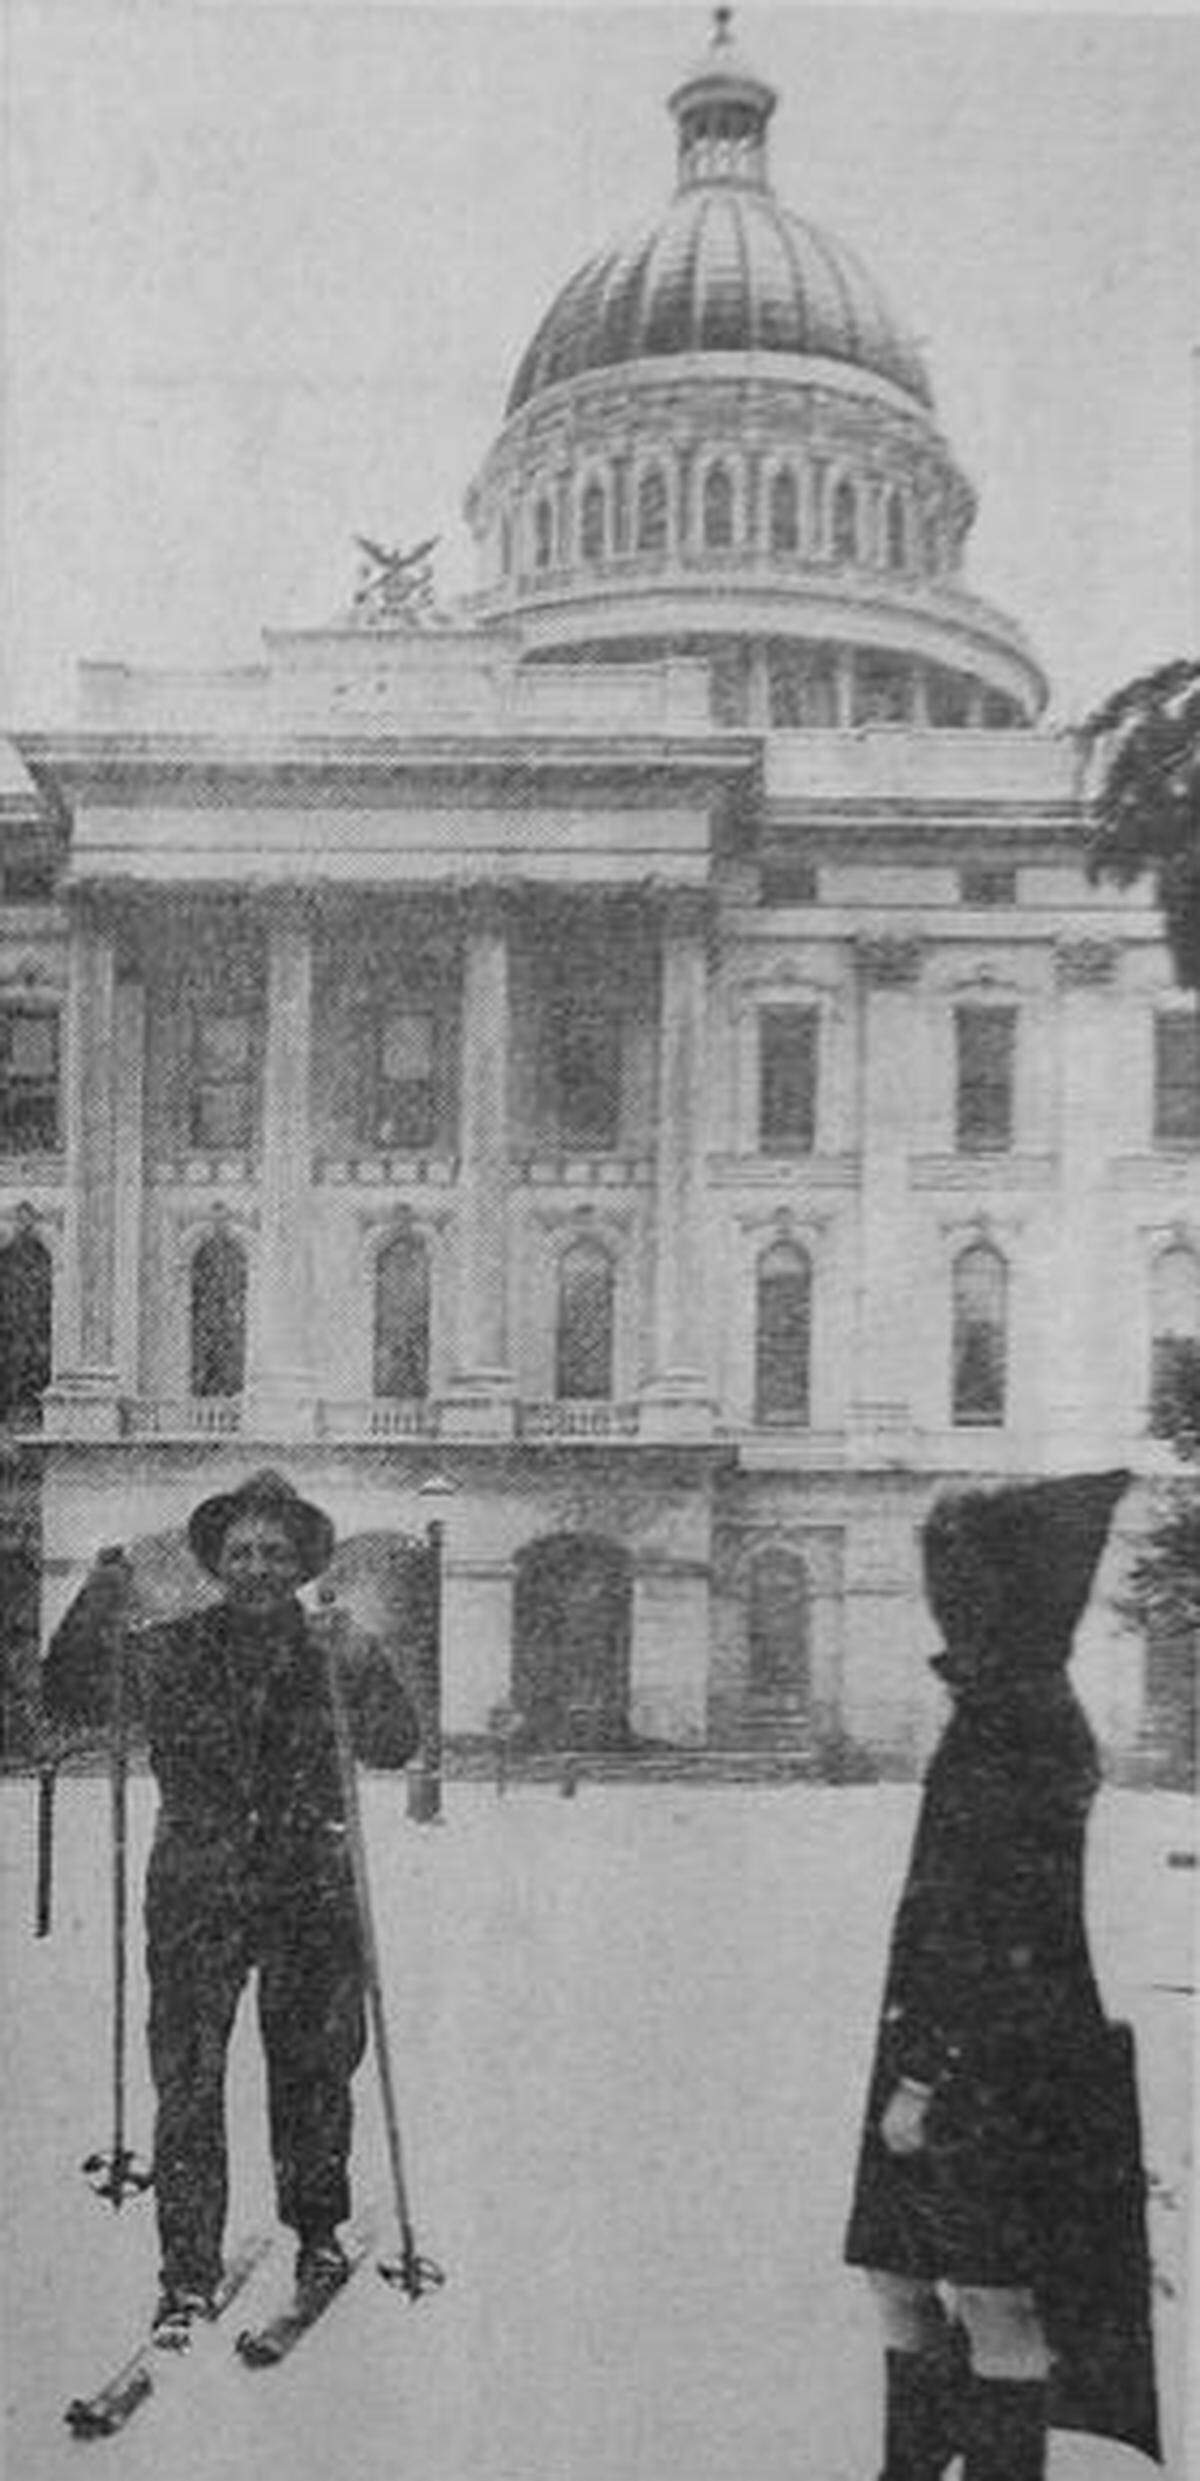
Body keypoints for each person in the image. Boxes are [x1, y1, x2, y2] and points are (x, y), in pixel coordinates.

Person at [42, 1469, 420, 2346]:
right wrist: (97, 1598)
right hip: (198, 1891)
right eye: (240, 1551)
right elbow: (66, 1697)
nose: (256, 1566)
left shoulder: (333, 1646)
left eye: (274, 1553)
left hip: (308, 1889)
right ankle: (186, 2272)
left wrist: (362, 1658)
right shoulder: (166, 1647)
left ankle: (317, 2233)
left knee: (315, 2073)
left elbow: (396, 1746)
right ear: (216, 1561)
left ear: (300, 1564)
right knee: (189, 2080)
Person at [843, 1471, 1160, 2481]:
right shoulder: (1007, 1703)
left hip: (983, 2056)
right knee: (899, 2272)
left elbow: (997, 1927)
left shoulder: (1019, 1723)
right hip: (951, 2037)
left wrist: (925, 2077)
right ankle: (921, 2458)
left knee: (993, 2294)